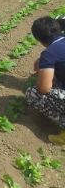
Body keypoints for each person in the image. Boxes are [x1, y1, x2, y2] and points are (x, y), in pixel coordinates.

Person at [25, 16, 65, 146]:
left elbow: (44, 88)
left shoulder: (49, 54)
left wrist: (44, 66)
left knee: (32, 93)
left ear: (39, 39)